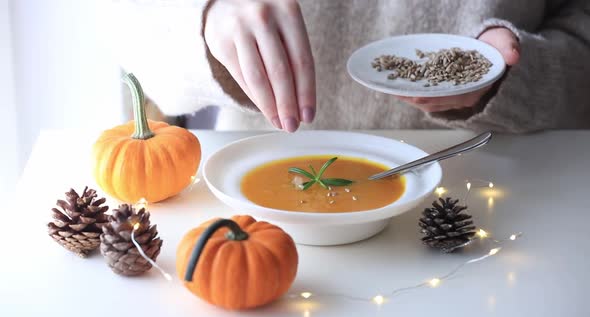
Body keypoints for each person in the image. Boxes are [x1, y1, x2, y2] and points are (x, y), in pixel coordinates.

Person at [111, 0, 590, 133]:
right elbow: (129, 31)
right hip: (266, 204)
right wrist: (206, 26)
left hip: (506, 202)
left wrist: (518, 75)